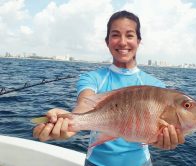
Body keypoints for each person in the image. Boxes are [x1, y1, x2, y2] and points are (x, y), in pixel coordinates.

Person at [33, 10, 185, 166]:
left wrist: (162, 141)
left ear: (139, 41)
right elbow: (83, 106)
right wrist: (69, 124)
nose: (123, 42)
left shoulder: (157, 87)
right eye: (115, 35)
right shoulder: (92, 78)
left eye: (130, 35)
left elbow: (156, 134)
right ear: (107, 41)